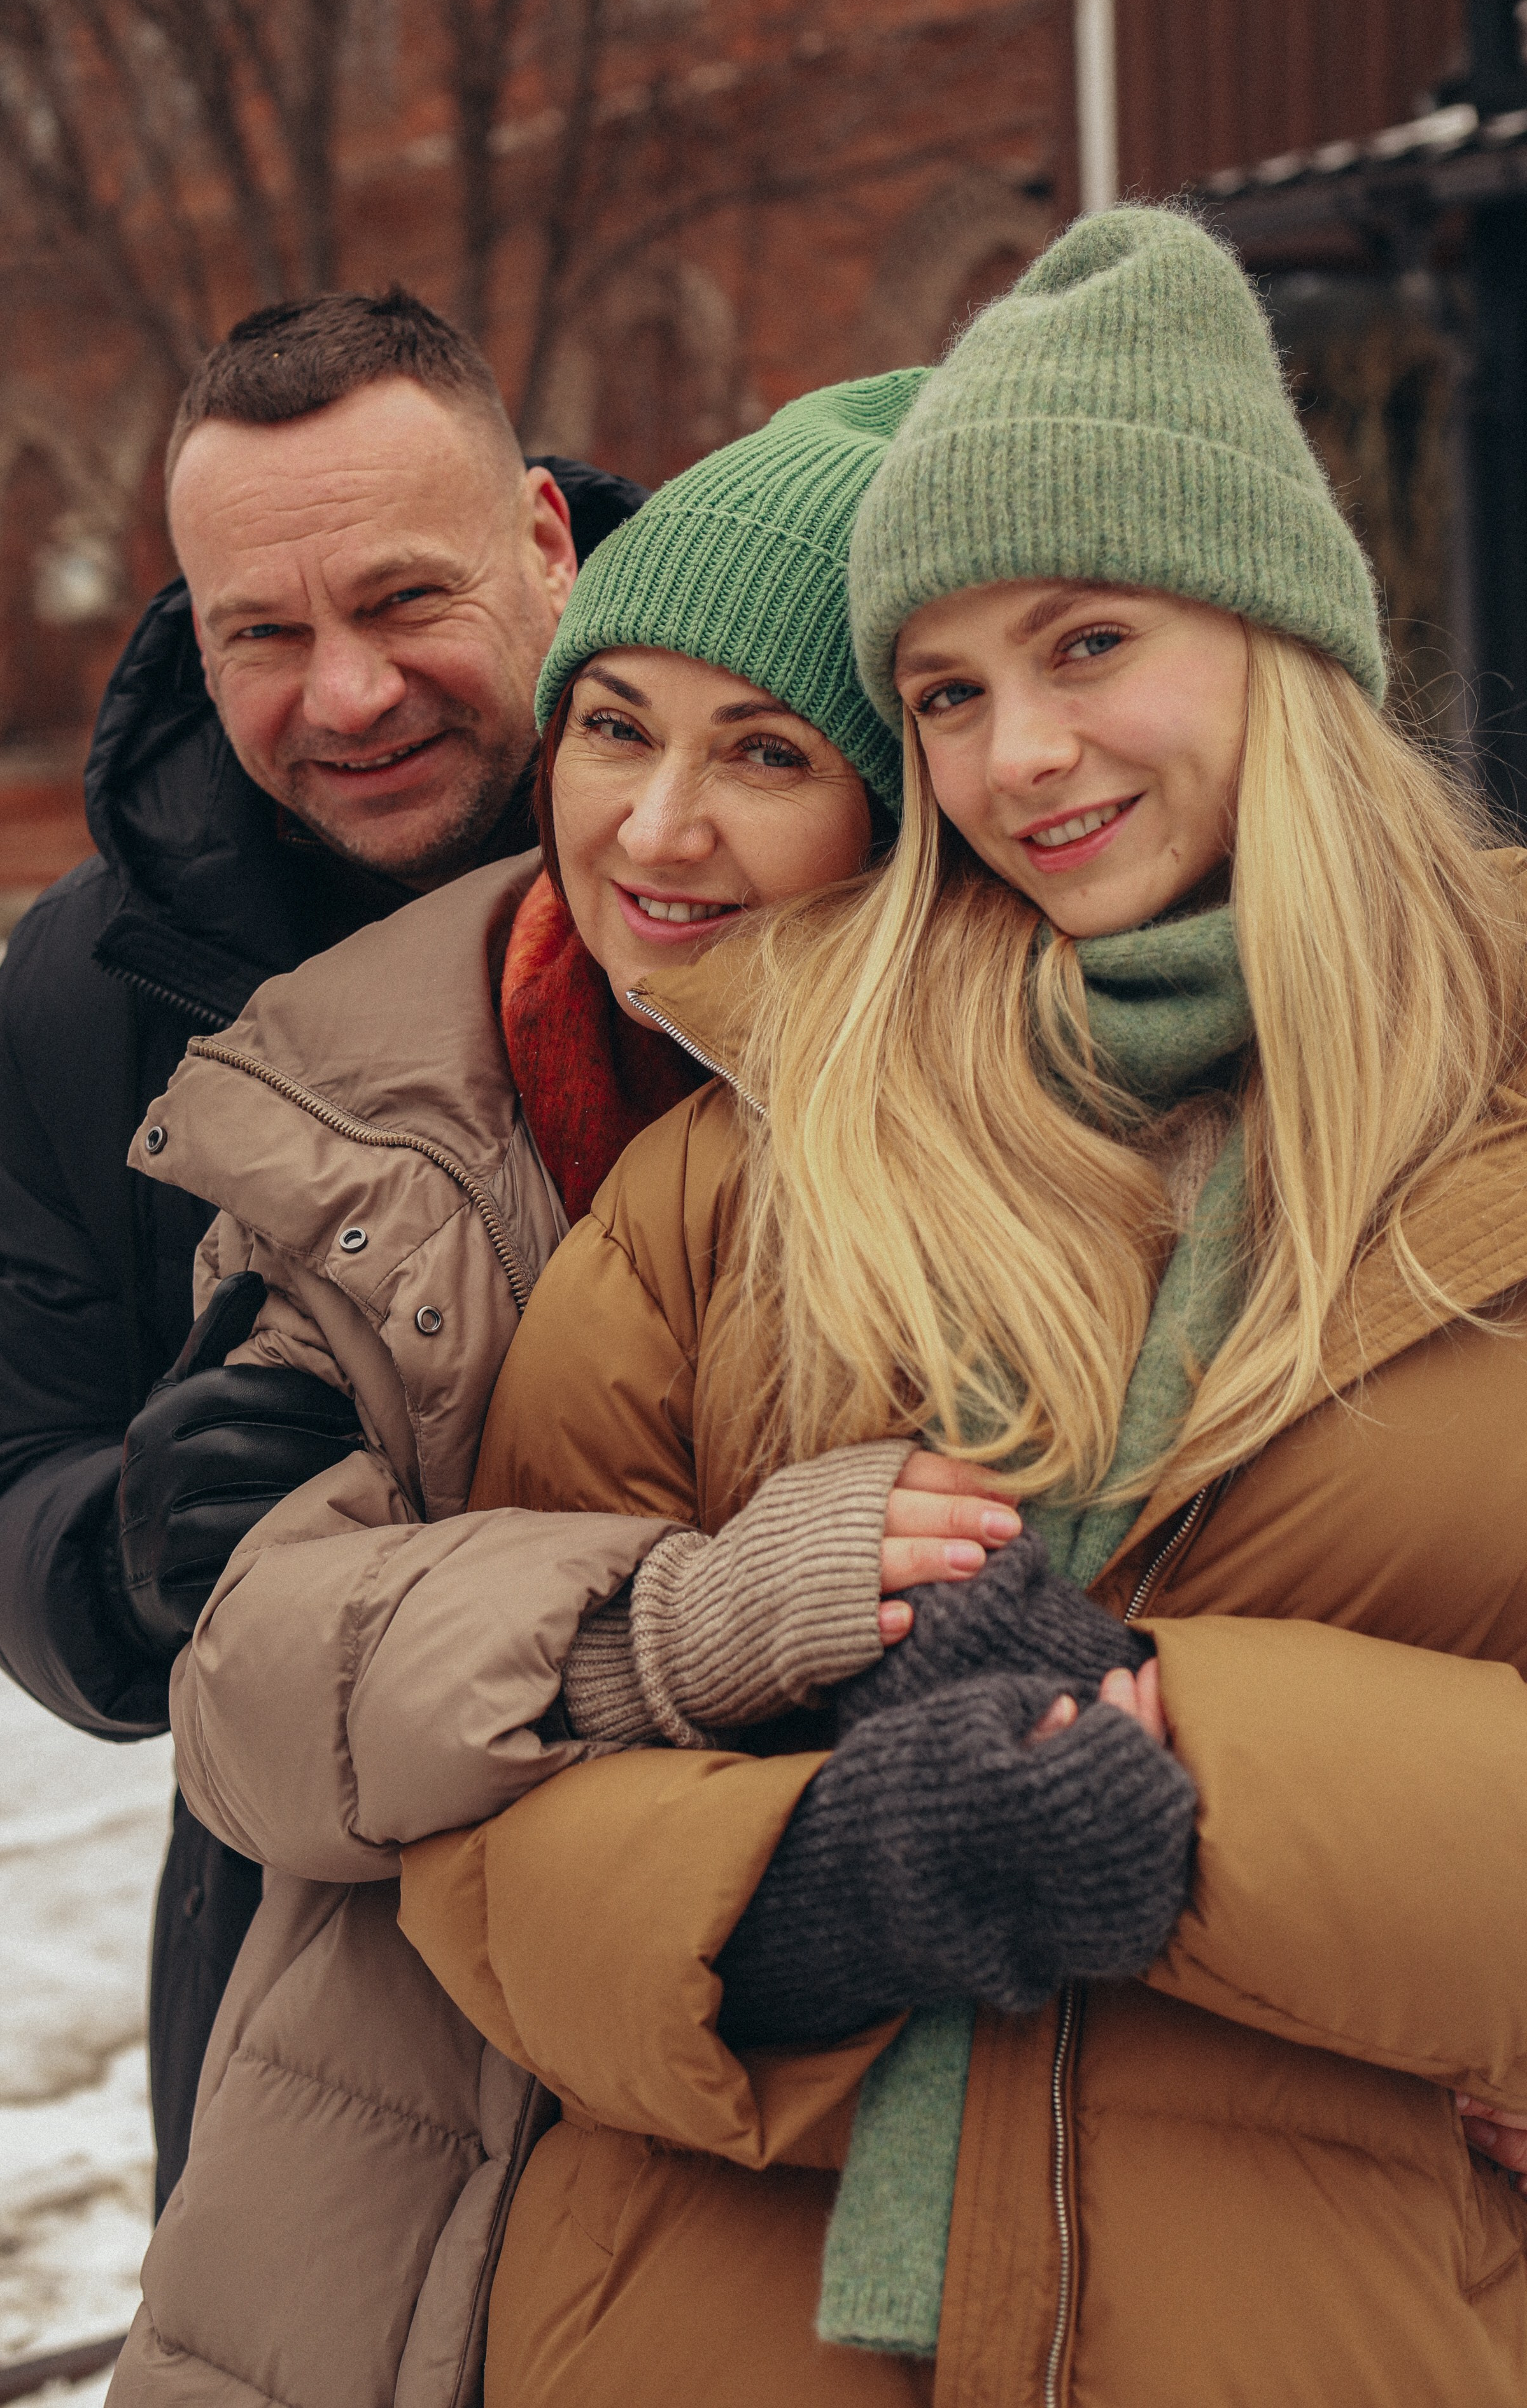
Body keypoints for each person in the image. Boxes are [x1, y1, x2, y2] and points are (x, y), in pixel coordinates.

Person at [400, 208, 1527, 2407]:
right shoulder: (743, 1172)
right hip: (708, 2324)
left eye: (1088, 641)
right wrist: (810, 1881)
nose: (1019, 755)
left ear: (1280, 632)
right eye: (945, 693)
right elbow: (480, 1793)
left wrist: (1176, 1749)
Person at [104, 376, 1021, 2408]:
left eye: (767, 752)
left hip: (826, 2195)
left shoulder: (1068, 1150)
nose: (656, 824)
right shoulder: (354, 1097)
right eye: (614, 731)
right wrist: (671, 1622)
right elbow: (246, 1696)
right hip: (384, 2146)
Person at [0, 285, 646, 2206]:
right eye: (266, 632)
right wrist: (121, 1541)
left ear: (545, 545)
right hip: (311, 1965)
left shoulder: (781, 832)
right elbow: (4, 1467)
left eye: (406, 601)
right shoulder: (99, 985)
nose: (345, 694)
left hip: (770, 1904)